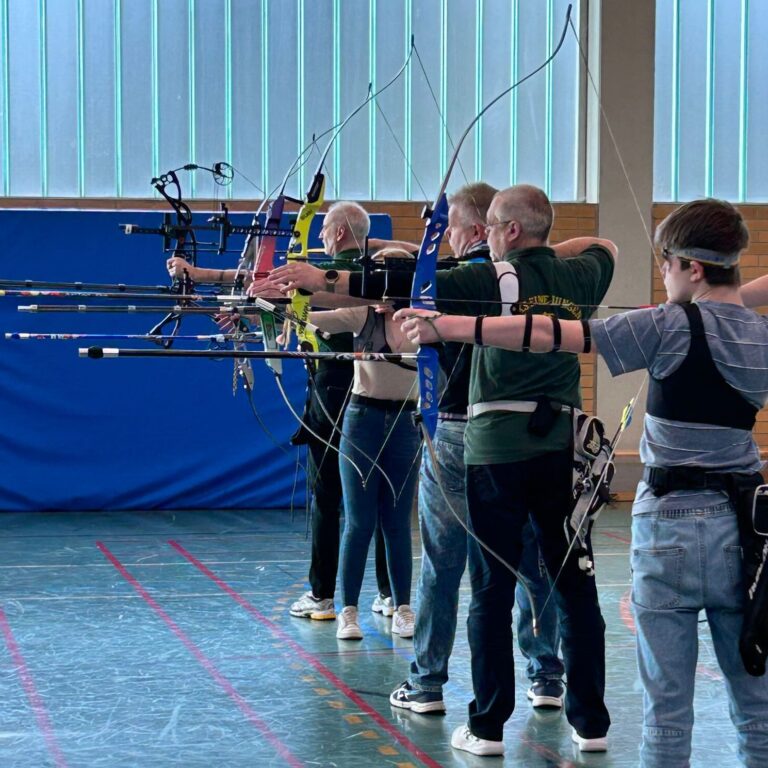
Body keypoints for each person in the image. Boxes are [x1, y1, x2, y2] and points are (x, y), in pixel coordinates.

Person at [397, 197, 768, 767]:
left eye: (667, 262)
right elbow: (731, 308)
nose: (662, 272)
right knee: (758, 712)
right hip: (744, 536)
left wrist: (446, 325)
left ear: (693, 268)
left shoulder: (668, 324)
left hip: (669, 528)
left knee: (667, 714)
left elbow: (549, 333)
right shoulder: (756, 335)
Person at [266, 184, 616, 757]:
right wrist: (546, 251)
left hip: (478, 442)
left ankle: (443, 692)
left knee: (467, 576)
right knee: (555, 574)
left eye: (454, 225)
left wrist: (317, 279)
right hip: (559, 446)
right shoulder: (575, 276)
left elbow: (398, 282)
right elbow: (604, 245)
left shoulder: (481, 281)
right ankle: (561, 692)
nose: (447, 236)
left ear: (495, 231)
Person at [380, 183, 564, 715]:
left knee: (443, 562)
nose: (447, 239)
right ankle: (547, 674)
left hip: (460, 433)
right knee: (531, 557)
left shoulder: (456, 280)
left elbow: (399, 332)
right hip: (522, 436)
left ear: (479, 230)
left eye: (451, 228)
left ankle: (427, 683)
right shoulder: (534, 276)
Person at [308, 298, 421, 640]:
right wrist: (273, 296)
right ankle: (348, 611)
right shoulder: (364, 315)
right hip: (362, 421)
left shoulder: (427, 317)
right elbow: (303, 317)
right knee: (359, 522)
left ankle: (402, 607)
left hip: (404, 423)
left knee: (397, 521)